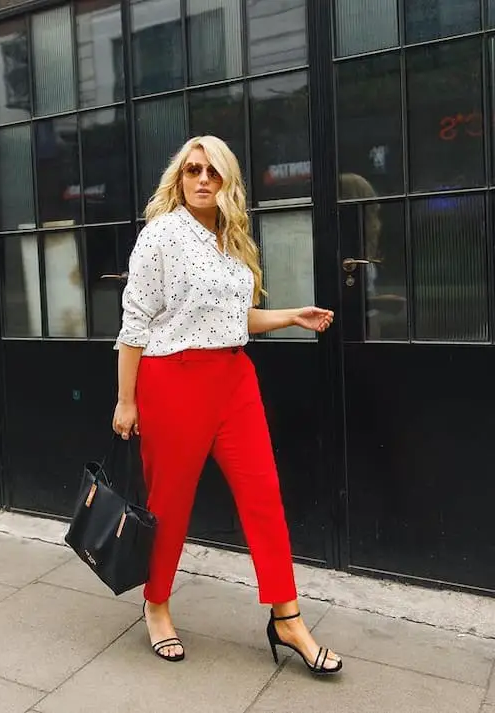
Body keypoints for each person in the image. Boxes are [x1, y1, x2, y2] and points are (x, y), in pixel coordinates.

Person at [112, 135, 342, 675]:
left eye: (213, 172)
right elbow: (134, 324)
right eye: (192, 170)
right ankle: (157, 603)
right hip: (174, 380)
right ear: (179, 176)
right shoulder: (161, 235)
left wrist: (289, 316)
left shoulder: (231, 241)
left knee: (264, 495)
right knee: (169, 504)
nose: (202, 180)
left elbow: (232, 321)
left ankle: (287, 618)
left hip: (235, 380)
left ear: (226, 181)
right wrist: (126, 400)